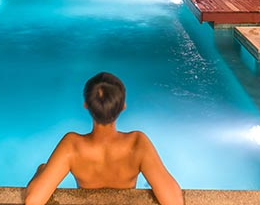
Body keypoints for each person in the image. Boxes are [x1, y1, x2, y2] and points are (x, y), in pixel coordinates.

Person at [24, 72, 183, 205]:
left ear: (86, 105)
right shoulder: (137, 144)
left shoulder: (72, 146)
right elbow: (174, 200)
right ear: (123, 106)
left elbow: (33, 200)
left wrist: (41, 170)